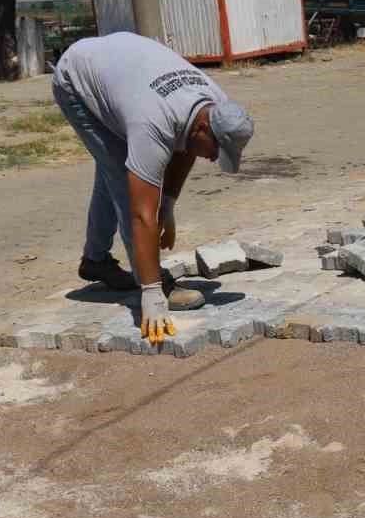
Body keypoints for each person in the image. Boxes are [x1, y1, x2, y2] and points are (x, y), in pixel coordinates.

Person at [52, 32, 254, 344]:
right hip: (77, 79)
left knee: (117, 166)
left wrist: (169, 203)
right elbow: (141, 213)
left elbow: (187, 145)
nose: (214, 158)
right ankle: (152, 279)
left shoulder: (214, 106)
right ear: (204, 128)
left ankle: (95, 261)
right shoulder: (153, 121)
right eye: (217, 150)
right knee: (122, 177)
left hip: (121, 69)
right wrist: (152, 293)